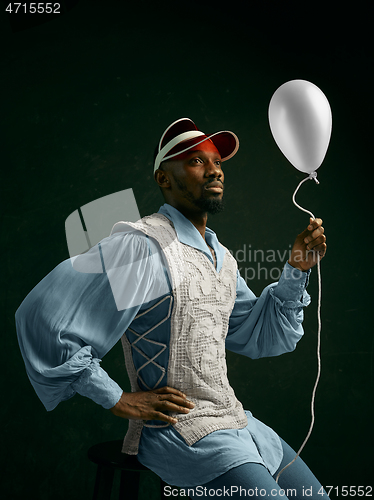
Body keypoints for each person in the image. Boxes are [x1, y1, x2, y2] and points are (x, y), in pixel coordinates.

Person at [16, 118, 328, 498]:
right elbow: (42, 315)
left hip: (239, 424)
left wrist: (296, 269)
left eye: (217, 162)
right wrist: (115, 398)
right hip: (181, 434)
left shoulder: (222, 258)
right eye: (197, 161)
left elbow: (260, 334)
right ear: (164, 179)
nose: (214, 169)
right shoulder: (141, 246)